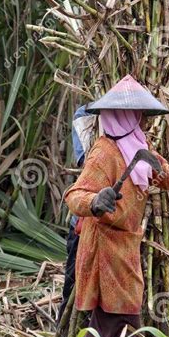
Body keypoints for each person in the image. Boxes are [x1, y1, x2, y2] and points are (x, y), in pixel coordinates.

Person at [63, 75, 169, 337]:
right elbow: (74, 195)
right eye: (136, 114)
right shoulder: (103, 152)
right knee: (117, 312)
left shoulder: (138, 146)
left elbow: (166, 175)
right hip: (103, 243)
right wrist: (95, 201)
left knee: (124, 307)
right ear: (123, 115)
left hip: (126, 242)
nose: (142, 120)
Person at [57, 105, 96, 323]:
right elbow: (87, 163)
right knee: (74, 283)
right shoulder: (87, 114)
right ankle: (65, 333)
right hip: (86, 223)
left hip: (127, 227)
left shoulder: (145, 122)